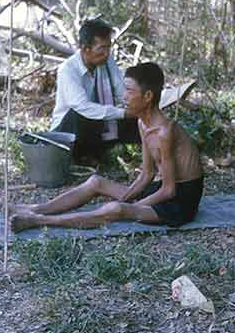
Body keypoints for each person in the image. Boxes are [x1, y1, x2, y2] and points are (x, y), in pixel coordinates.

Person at [13, 62, 204, 232]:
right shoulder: (142, 123)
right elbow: (147, 174)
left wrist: (130, 207)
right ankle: (38, 209)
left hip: (181, 201)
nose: (124, 96)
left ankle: (39, 221)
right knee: (96, 182)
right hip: (162, 189)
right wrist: (128, 198)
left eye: (129, 91)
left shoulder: (164, 132)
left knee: (116, 209)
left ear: (147, 96)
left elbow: (169, 190)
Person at [51, 18, 141, 164]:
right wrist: (123, 112)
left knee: (136, 114)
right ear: (85, 49)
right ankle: (82, 158)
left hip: (96, 124)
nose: (106, 53)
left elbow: (120, 90)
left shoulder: (106, 60)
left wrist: (134, 106)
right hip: (69, 129)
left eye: (108, 48)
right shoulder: (68, 70)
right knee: (82, 113)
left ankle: (149, 153)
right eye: (102, 49)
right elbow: (83, 107)